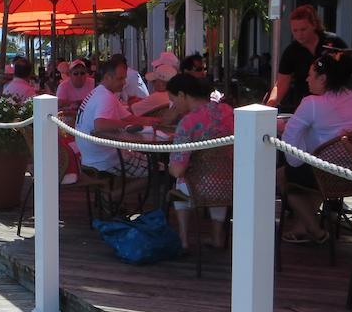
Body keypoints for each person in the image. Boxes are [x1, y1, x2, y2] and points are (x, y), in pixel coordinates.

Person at [279, 53, 352, 244]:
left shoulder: (312, 104)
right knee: (314, 170)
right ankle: (302, 227)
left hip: (330, 176)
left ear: (323, 79)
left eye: (310, 75)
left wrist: (297, 160)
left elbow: (291, 150)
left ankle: (314, 229)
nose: (306, 79)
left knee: (281, 175)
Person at [167, 73, 234, 250]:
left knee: (178, 184)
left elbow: (178, 170)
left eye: (173, 100)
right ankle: (217, 235)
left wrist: (166, 167)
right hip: (232, 185)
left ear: (182, 95)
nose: (173, 106)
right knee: (217, 178)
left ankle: (183, 237)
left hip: (199, 189)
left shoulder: (188, 122)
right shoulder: (228, 111)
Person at [76, 57, 161, 177]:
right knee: (161, 171)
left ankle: (116, 193)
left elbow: (128, 117)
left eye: (124, 78)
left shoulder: (100, 92)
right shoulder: (105, 97)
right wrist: (126, 126)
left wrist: (150, 121)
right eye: (120, 79)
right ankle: (115, 195)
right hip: (106, 161)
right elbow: (100, 125)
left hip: (89, 158)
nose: (124, 82)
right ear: (107, 78)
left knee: (155, 166)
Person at [267, 4, 348, 114]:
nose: (299, 34)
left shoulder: (334, 43)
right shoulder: (292, 51)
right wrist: (268, 108)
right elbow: (281, 83)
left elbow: (347, 74)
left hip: (336, 105)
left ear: (314, 25)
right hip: (306, 107)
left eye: (303, 29)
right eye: (295, 31)